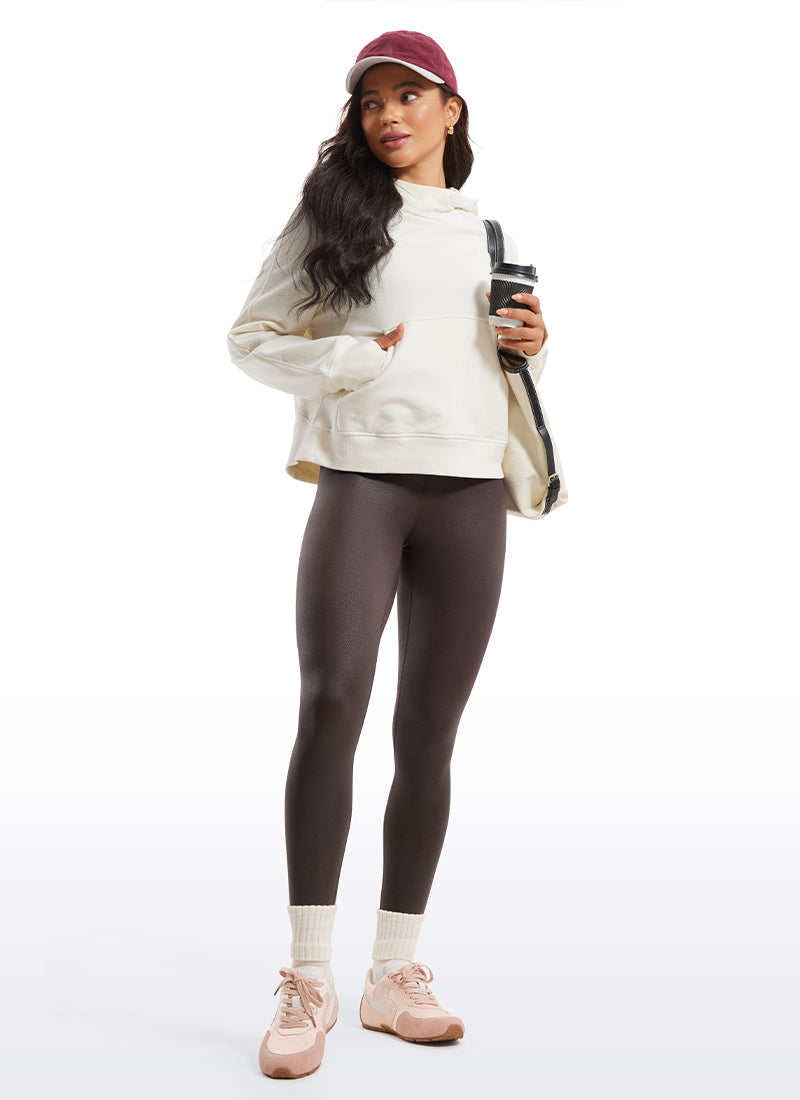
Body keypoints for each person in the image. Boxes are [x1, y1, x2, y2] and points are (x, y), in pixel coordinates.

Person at [226, 30, 550, 1080]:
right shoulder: (335, 215)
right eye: (371, 101)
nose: (388, 115)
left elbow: (490, 364)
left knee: (429, 734)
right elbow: (251, 335)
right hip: (364, 481)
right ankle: (309, 976)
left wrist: (531, 344)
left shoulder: (485, 231)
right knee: (332, 703)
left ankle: (391, 973)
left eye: (409, 95)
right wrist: (350, 359)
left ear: (451, 110)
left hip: (470, 490)